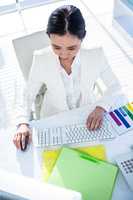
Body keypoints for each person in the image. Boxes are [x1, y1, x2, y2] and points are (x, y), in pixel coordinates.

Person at [13, 5, 121, 150]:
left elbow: (115, 86)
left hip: (87, 118)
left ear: (82, 37)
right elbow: (27, 94)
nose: (63, 54)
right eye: (56, 47)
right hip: (54, 121)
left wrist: (101, 107)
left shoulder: (96, 54)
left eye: (71, 48)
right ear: (49, 37)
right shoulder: (40, 58)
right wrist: (22, 123)